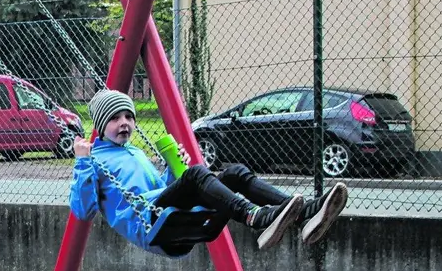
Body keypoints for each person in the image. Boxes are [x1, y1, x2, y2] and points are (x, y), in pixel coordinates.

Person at [69, 89, 348, 256]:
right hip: (149, 225)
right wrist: (81, 162)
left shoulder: (135, 152)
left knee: (235, 173)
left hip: (163, 212)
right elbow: (83, 211)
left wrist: (171, 170)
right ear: (101, 124)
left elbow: (156, 188)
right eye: (115, 118)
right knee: (196, 174)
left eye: (128, 116)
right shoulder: (94, 159)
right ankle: (253, 215)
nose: (125, 123)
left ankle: (304, 214)